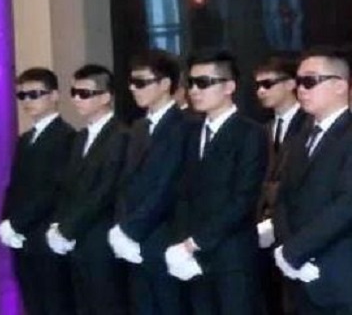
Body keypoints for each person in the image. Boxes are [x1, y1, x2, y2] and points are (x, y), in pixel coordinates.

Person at [166, 49, 268, 315]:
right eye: (191, 83)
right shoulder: (188, 131)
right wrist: (182, 242)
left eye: (204, 83)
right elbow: (181, 191)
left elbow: (243, 199)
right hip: (192, 257)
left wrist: (196, 241)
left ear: (229, 87)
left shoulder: (250, 133)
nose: (194, 90)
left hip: (232, 257)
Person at [274, 47, 352, 315]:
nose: (301, 89)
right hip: (295, 275)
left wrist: (296, 250)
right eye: (298, 81)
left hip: (339, 276)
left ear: (340, 85)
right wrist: (287, 249)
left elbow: (347, 204)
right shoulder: (298, 138)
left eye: (310, 81)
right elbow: (283, 200)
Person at [109, 49, 189, 315]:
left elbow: (168, 186)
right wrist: (122, 228)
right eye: (132, 82)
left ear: (165, 84)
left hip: (165, 238)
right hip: (133, 243)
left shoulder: (184, 126)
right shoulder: (139, 127)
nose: (133, 88)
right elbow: (125, 182)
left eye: (141, 82)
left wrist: (132, 229)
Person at [47, 64, 128, 315]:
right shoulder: (80, 137)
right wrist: (58, 225)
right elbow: (67, 186)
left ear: (105, 97)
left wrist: (69, 228)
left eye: (84, 94)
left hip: (100, 239)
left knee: (106, 305)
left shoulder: (121, 135)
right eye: (73, 92)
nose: (76, 99)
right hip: (76, 241)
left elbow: (105, 191)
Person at [0, 67, 75, 315]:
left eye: (35, 94)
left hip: (46, 237)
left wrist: (17, 222)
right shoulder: (25, 139)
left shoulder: (66, 136)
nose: (27, 101)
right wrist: (7, 222)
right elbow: (14, 186)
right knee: (31, 304)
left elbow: (54, 190)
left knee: (54, 305)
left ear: (54, 95)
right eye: (22, 95)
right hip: (22, 239)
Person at [254, 52, 309, 314]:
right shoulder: (262, 129)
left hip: (294, 230)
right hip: (262, 235)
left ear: (290, 83)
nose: (261, 91)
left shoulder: (309, 124)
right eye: (257, 85)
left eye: (267, 84)